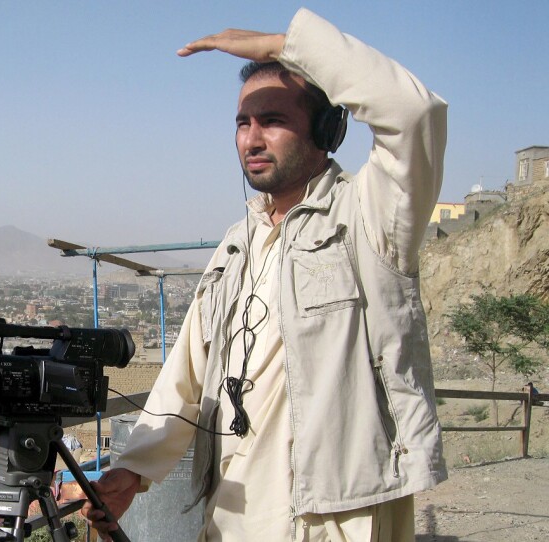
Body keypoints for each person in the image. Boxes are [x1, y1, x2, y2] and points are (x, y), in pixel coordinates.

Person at [84, 8, 447, 541]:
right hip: (234, 511)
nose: (251, 139)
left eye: (272, 120)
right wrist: (132, 470)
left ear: (327, 128)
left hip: (335, 514)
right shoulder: (237, 242)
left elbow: (414, 113)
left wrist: (286, 45)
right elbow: (185, 372)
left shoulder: (369, 216)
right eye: (242, 123)